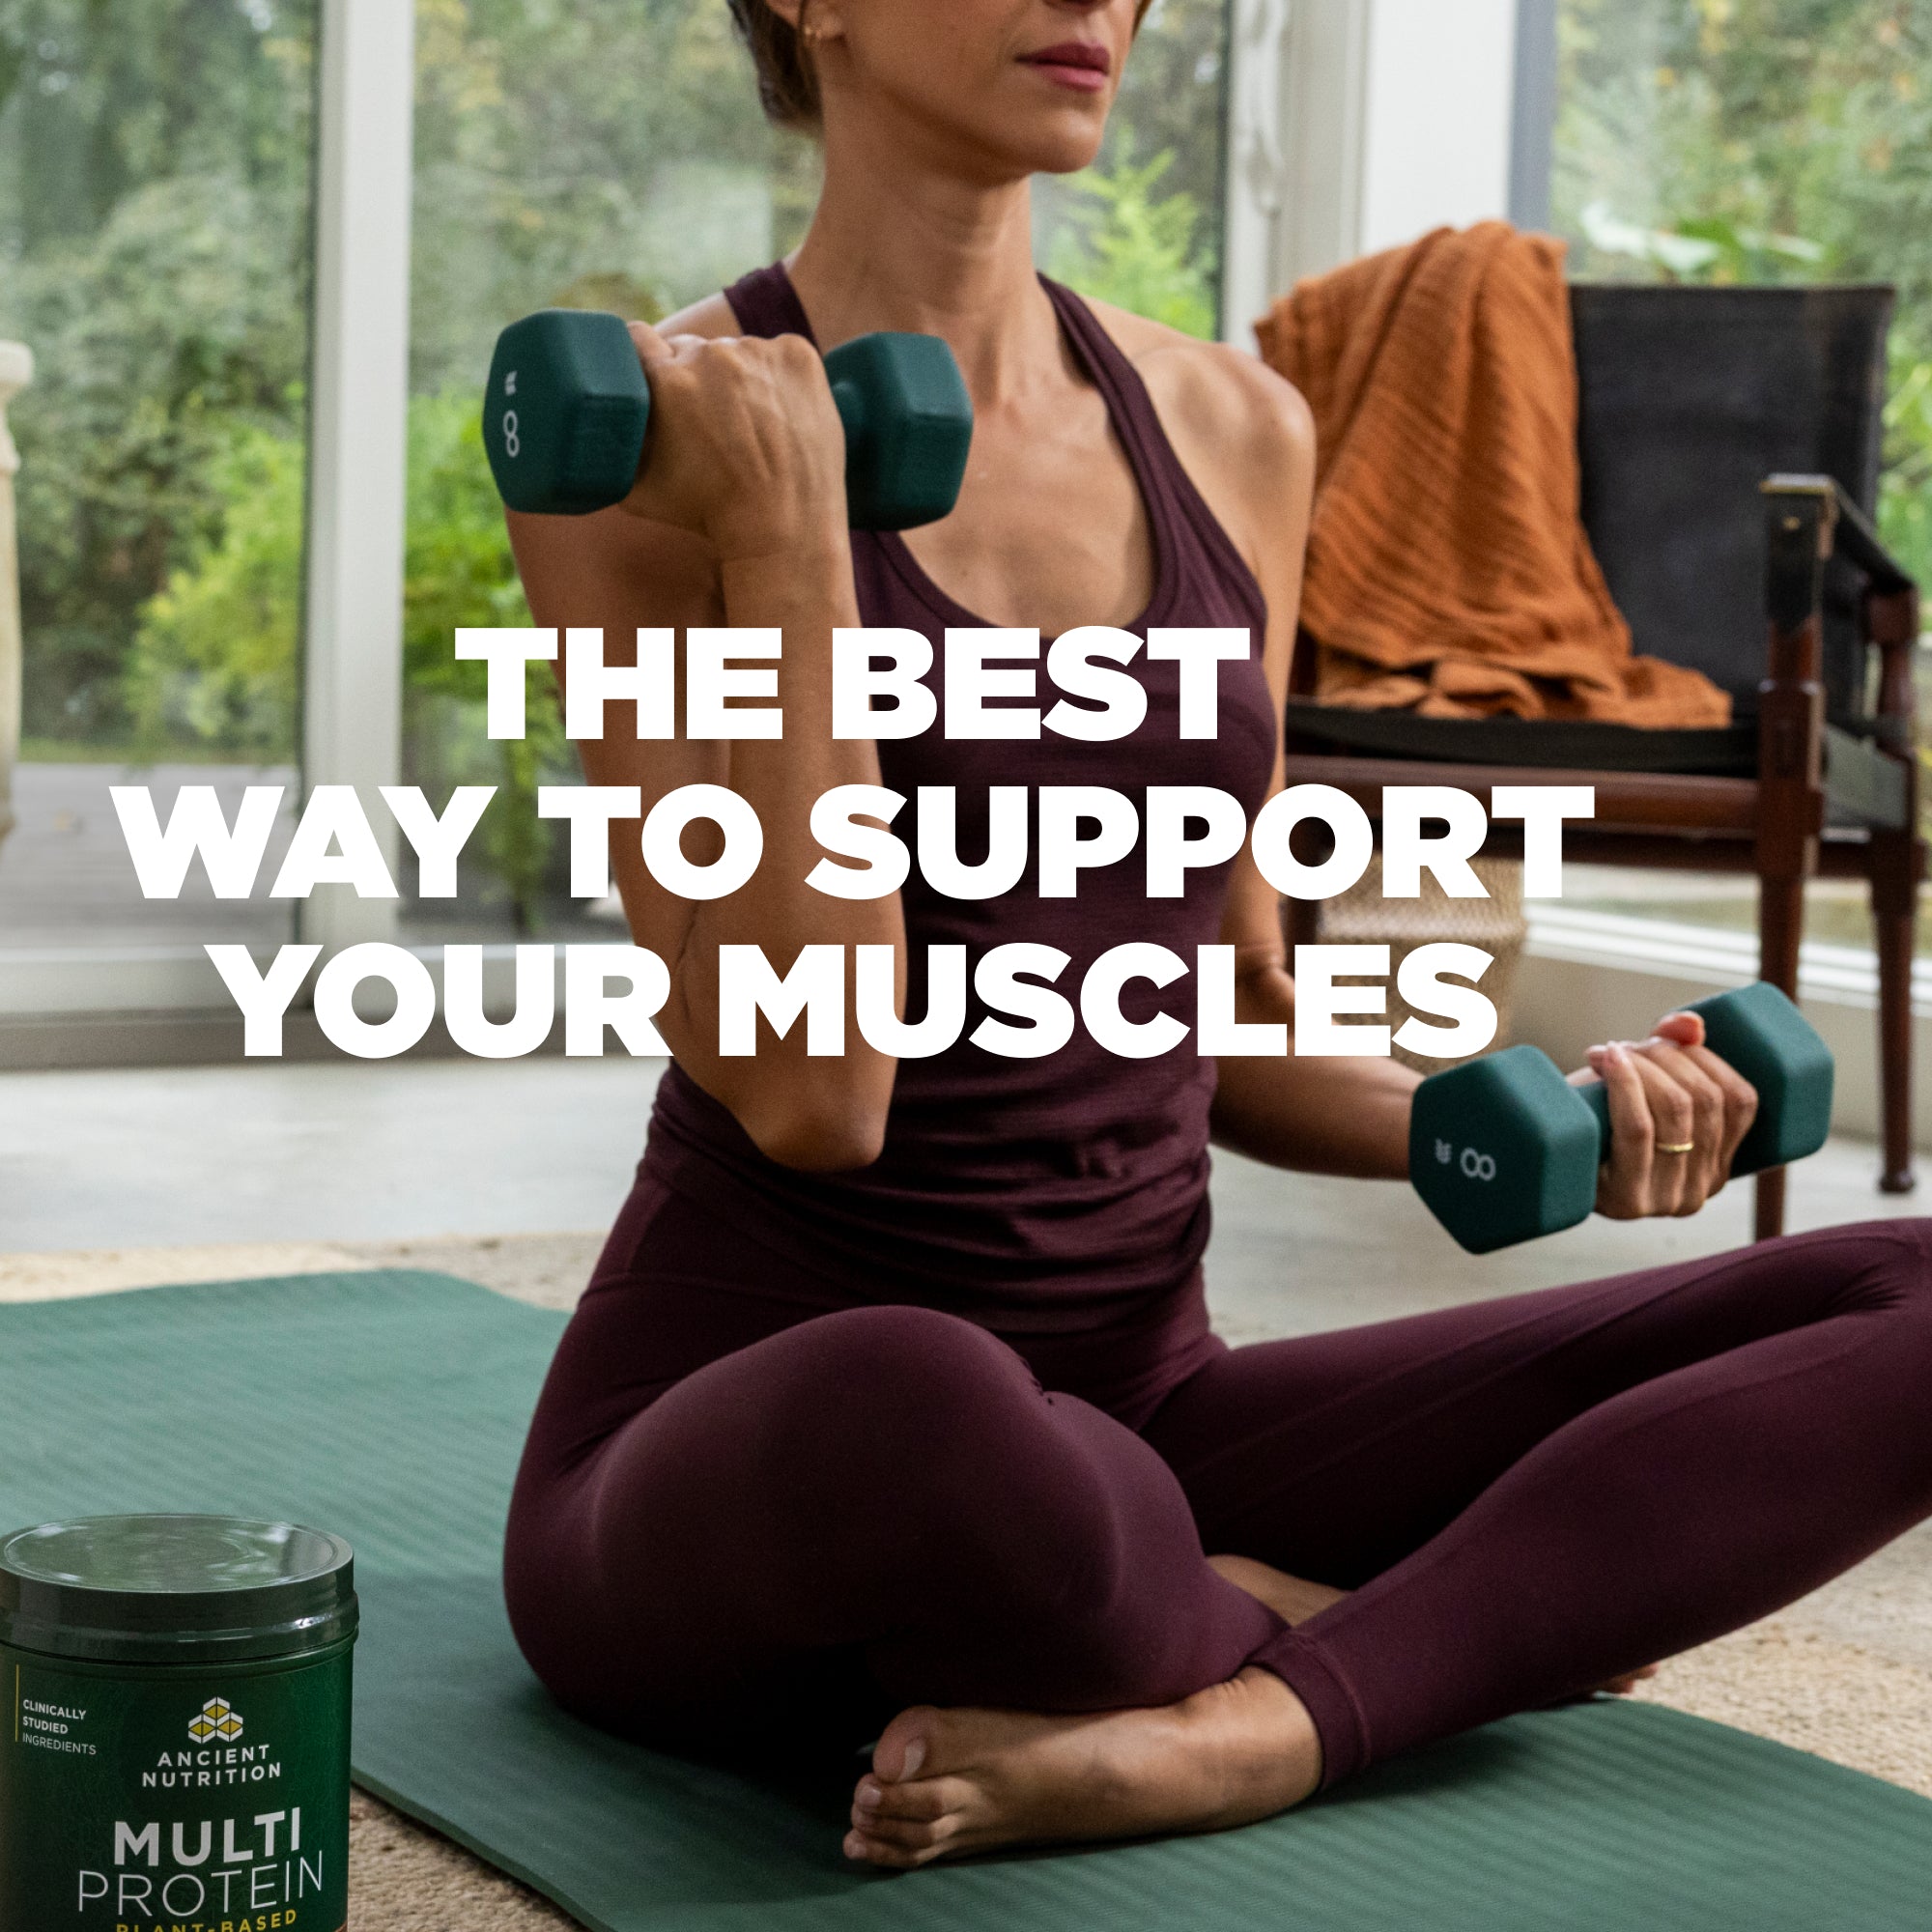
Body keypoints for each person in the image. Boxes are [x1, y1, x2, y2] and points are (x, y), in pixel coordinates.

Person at [501, 0, 1932, 1871]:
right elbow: (812, 1091)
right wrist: (790, 551)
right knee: (926, 1394)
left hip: (1145, 1410)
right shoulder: (651, 443)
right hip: (778, 1428)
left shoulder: (1237, 434)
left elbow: (1209, 1008)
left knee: (1905, 1302)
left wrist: (1513, 1115)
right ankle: (1372, 1618)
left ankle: (1247, 1716)